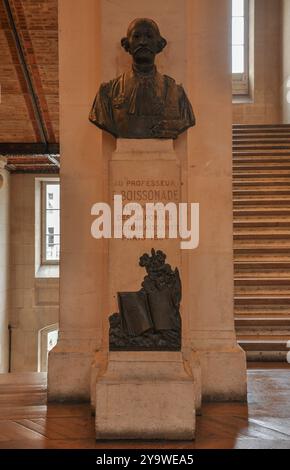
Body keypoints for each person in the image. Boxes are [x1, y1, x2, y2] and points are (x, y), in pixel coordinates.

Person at [89, 18, 195, 139]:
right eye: (137, 36)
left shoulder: (177, 94)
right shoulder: (107, 93)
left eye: (149, 36)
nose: (143, 42)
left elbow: (185, 120)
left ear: (159, 44)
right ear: (126, 44)